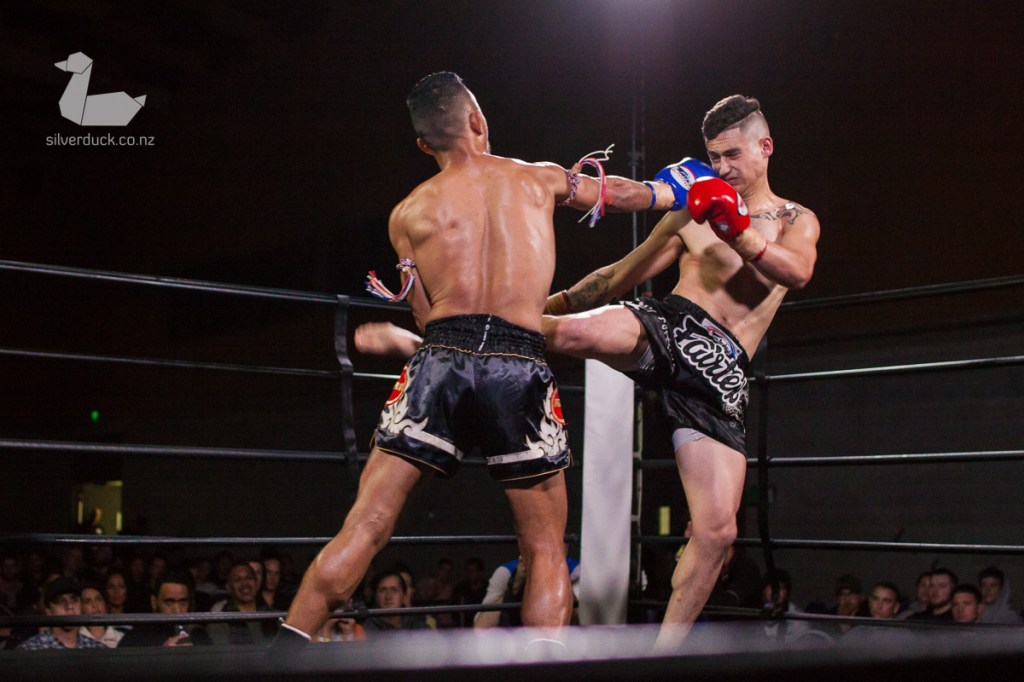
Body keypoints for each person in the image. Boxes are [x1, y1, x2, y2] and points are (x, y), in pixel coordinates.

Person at [271, 70, 681, 654]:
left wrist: (408, 343)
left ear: (424, 144)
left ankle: (282, 655)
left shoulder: (408, 213)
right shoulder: (537, 178)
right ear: (478, 120)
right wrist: (677, 190)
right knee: (544, 547)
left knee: (367, 524)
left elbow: (426, 319)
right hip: (519, 361)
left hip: (440, 359)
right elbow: (614, 194)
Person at [120, 569, 213, 647]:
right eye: (169, 602)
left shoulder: (199, 638)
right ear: (154, 602)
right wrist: (163, 655)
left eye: (183, 602)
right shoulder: (135, 639)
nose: (177, 610)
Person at [17, 578, 107, 650]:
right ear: (48, 610)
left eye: (74, 599)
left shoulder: (97, 649)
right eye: (60, 601)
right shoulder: (31, 649)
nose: (69, 606)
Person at [208, 561, 274, 645]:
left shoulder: (273, 617)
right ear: (228, 587)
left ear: (256, 582)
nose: (245, 584)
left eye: (249, 578)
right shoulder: (219, 624)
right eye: (237, 579)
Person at [361, 571, 430, 632]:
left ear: (404, 595)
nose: (388, 597)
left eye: (394, 590)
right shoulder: (367, 629)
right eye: (383, 590)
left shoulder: (415, 624)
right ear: (375, 596)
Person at [79, 583, 124, 648]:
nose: (95, 605)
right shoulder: (75, 640)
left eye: (98, 599)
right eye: (87, 601)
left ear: (105, 605)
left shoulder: (121, 638)